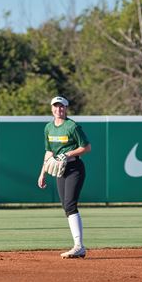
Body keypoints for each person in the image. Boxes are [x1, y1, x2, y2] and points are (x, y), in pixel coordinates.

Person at [38, 96, 92, 259]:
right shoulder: (49, 128)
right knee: (66, 206)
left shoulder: (72, 126)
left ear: (66, 108)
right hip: (59, 169)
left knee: (70, 204)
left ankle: (78, 246)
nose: (58, 109)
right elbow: (49, 152)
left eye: (61, 107)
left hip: (74, 167)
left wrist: (68, 154)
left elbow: (86, 147)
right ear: (51, 108)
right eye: (55, 106)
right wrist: (43, 172)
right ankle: (78, 246)